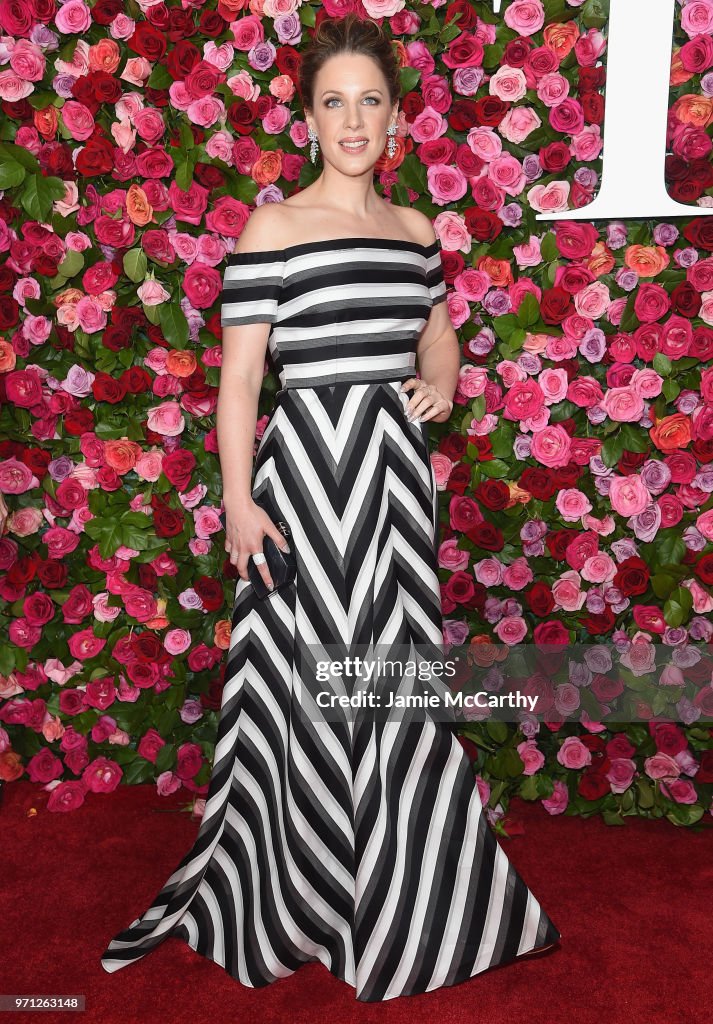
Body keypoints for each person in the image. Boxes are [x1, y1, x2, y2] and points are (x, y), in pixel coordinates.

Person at [100, 13, 561, 1002]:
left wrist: (436, 381)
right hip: (305, 477)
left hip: (392, 483)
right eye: (332, 102)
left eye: (369, 101)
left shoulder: (413, 231)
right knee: (303, 684)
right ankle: (296, 882)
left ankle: (406, 892)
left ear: (395, 119)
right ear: (307, 120)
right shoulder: (272, 228)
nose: (352, 119)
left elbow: (435, 338)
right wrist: (235, 501)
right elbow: (237, 384)